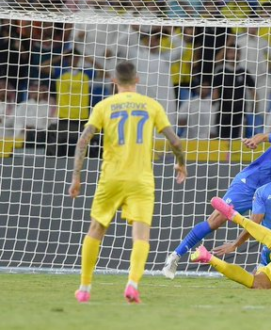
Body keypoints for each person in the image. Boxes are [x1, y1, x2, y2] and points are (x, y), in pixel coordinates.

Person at [69, 61, 187, 303]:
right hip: (141, 179)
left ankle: (84, 288)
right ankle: (132, 285)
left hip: (111, 177)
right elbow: (175, 142)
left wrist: (76, 177)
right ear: (138, 80)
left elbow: (83, 141)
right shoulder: (151, 105)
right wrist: (181, 164)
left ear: (114, 81)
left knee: (96, 229)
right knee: (141, 236)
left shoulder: (104, 105)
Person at [162, 115, 271, 279]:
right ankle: (175, 255)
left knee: (270, 229)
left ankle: (264, 270)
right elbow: (265, 136)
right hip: (249, 183)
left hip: (268, 194)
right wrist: (254, 140)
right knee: (215, 221)